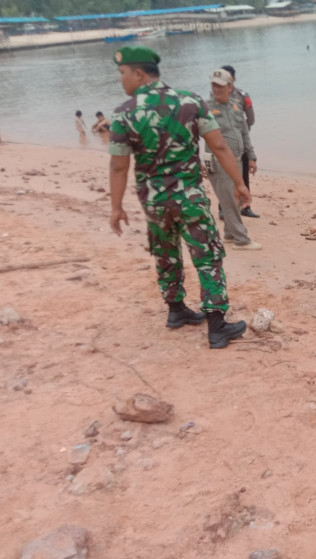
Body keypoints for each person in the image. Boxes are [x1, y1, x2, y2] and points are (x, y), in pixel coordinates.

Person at [108, 46, 251, 350]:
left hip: (155, 201)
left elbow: (119, 165)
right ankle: (216, 326)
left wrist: (116, 207)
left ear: (138, 73)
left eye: (122, 73)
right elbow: (220, 147)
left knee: (165, 252)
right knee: (207, 256)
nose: (121, 80)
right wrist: (239, 184)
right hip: (190, 198)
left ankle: (176, 310)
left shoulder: (123, 113)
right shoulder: (190, 102)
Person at [207, 68, 261, 251]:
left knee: (235, 197)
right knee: (229, 198)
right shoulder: (206, 109)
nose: (217, 89)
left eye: (221, 86)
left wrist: (251, 157)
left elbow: (244, 133)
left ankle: (230, 234)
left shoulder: (236, 107)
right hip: (218, 161)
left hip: (237, 159)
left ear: (230, 86)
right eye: (214, 85)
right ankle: (242, 240)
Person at [220, 65, 259, 219]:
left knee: (243, 175)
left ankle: (245, 206)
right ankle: (223, 208)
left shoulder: (242, 96)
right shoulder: (215, 97)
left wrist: (241, 134)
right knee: (224, 177)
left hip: (241, 142)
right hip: (222, 144)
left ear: (234, 79)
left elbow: (250, 118)